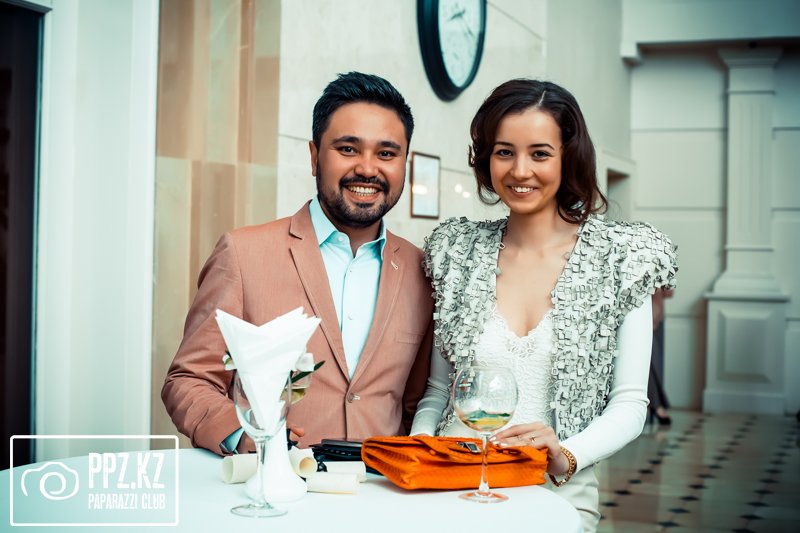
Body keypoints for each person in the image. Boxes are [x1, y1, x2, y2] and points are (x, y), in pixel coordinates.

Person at [410, 79, 677, 532]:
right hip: (452, 485)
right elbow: (438, 391)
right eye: (504, 152)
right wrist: (421, 450)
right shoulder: (456, 252)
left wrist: (567, 455)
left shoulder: (624, 258)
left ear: (568, 157)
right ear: (486, 157)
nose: (520, 171)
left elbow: (630, 404)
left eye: (539, 153)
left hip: (557, 490)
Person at [163, 72, 433, 456]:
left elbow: (415, 402)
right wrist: (245, 435)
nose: (367, 168)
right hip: (275, 483)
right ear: (314, 156)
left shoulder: (422, 270)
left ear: (405, 163)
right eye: (348, 149)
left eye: (386, 154)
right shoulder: (242, 254)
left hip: (382, 486)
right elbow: (188, 380)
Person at [648, 287, 674, 425]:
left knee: (655, 362)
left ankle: (656, 405)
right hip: (641, 312)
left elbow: (669, 292)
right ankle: (656, 405)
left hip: (657, 314)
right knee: (648, 362)